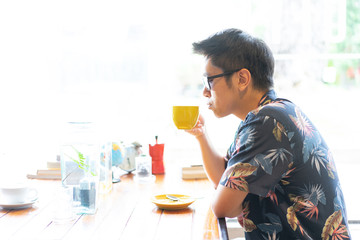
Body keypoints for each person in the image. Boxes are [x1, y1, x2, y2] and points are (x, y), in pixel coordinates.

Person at [187, 28, 351, 239]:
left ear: (242, 79)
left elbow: (224, 207)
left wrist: (229, 198)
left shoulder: (267, 122)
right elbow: (224, 178)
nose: (205, 92)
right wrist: (201, 135)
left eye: (209, 80)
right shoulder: (269, 114)